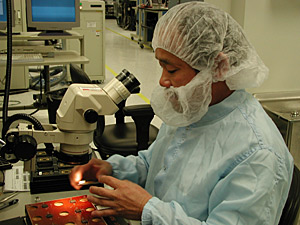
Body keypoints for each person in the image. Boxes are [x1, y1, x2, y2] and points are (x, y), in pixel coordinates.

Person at [69, 2, 294, 224]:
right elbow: (155, 165)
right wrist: (112, 169)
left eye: (172, 69)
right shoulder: (193, 107)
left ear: (219, 67)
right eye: (161, 67)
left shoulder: (258, 154)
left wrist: (148, 211)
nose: (162, 80)